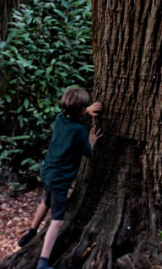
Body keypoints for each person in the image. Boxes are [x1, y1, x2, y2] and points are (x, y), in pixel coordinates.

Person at [18, 86, 103, 269]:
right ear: (81, 110)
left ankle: (31, 232)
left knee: (46, 201)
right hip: (60, 180)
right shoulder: (79, 130)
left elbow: (71, 113)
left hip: (48, 172)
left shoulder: (59, 119)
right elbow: (88, 153)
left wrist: (85, 110)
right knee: (57, 221)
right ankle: (43, 262)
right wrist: (92, 141)